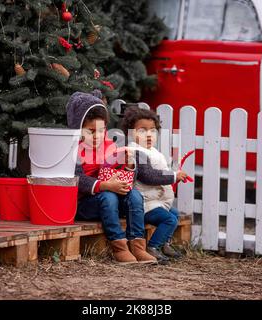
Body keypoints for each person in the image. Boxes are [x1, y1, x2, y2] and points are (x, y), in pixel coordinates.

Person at [67, 90, 179, 265]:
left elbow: (127, 175)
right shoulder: (75, 150)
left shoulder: (110, 146)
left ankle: (137, 244)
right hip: (86, 204)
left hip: (111, 195)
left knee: (134, 194)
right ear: (78, 129)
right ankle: (119, 246)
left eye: (102, 130)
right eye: (90, 131)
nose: (97, 136)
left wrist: (128, 167)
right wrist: (105, 185)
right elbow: (78, 179)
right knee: (109, 196)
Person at [121, 106, 188, 263]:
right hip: (145, 203)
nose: (148, 135)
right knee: (169, 220)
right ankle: (153, 247)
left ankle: (165, 243)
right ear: (131, 133)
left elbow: (160, 171)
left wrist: (175, 176)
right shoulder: (136, 152)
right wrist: (173, 176)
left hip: (157, 201)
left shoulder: (154, 152)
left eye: (152, 130)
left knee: (175, 214)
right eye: (142, 131)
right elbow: (148, 176)